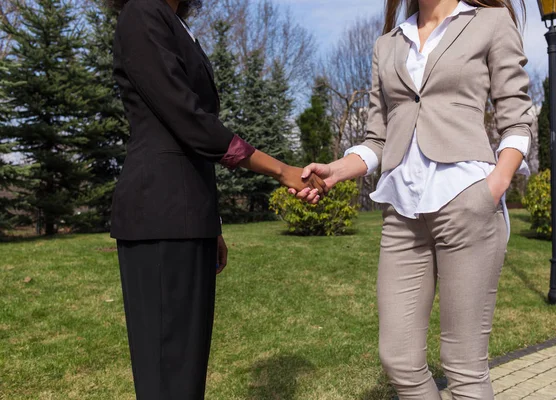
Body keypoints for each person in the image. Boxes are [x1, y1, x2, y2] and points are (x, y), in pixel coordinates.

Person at [294, 0, 531, 398]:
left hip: (467, 202)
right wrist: (336, 171)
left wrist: (495, 184)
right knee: (399, 359)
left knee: (464, 366)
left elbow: (517, 116)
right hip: (401, 214)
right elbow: (377, 139)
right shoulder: (387, 44)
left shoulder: (490, 22)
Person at [108, 0, 326, 399]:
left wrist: (214, 225)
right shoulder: (141, 14)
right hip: (159, 215)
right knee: (166, 373)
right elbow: (191, 122)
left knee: (186, 371)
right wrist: (281, 170)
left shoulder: (174, 23)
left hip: (189, 217)